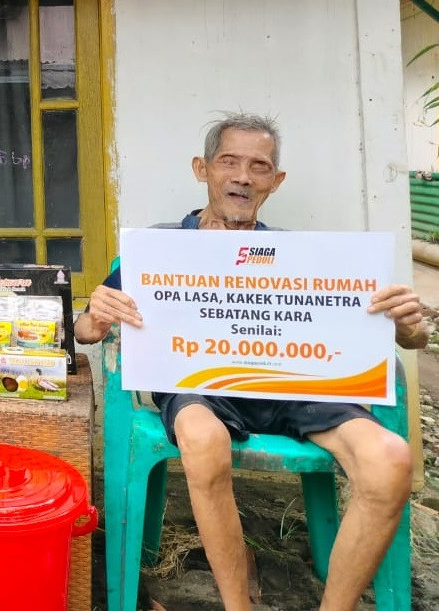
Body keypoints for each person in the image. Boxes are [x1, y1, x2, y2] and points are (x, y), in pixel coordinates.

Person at [75, 112, 424, 611]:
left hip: (295, 385)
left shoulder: (303, 257)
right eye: (229, 161)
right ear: (203, 169)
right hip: (200, 385)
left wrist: (410, 327)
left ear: (275, 182)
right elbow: (86, 329)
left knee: (390, 461)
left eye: (259, 166)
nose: (242, 175)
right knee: (201, 438)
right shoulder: (160, 249)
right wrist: (98, 313)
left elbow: (405, 339)